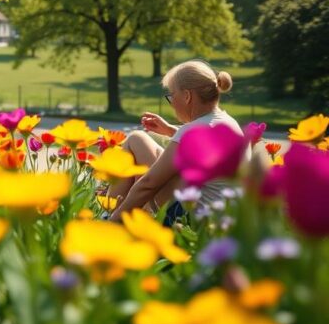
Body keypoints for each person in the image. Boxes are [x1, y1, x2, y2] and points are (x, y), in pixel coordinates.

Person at [107, 60, 250, 223]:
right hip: (224, 220)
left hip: (191, 221)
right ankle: (121, 213)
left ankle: (108, 213)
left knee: (135, 140)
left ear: (187, 96)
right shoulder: (228, 122)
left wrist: (111, 223)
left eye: (171, 96)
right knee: (141, 144)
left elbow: (148, 184)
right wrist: (170, 131)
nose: (172, 103)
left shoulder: (192, 130)